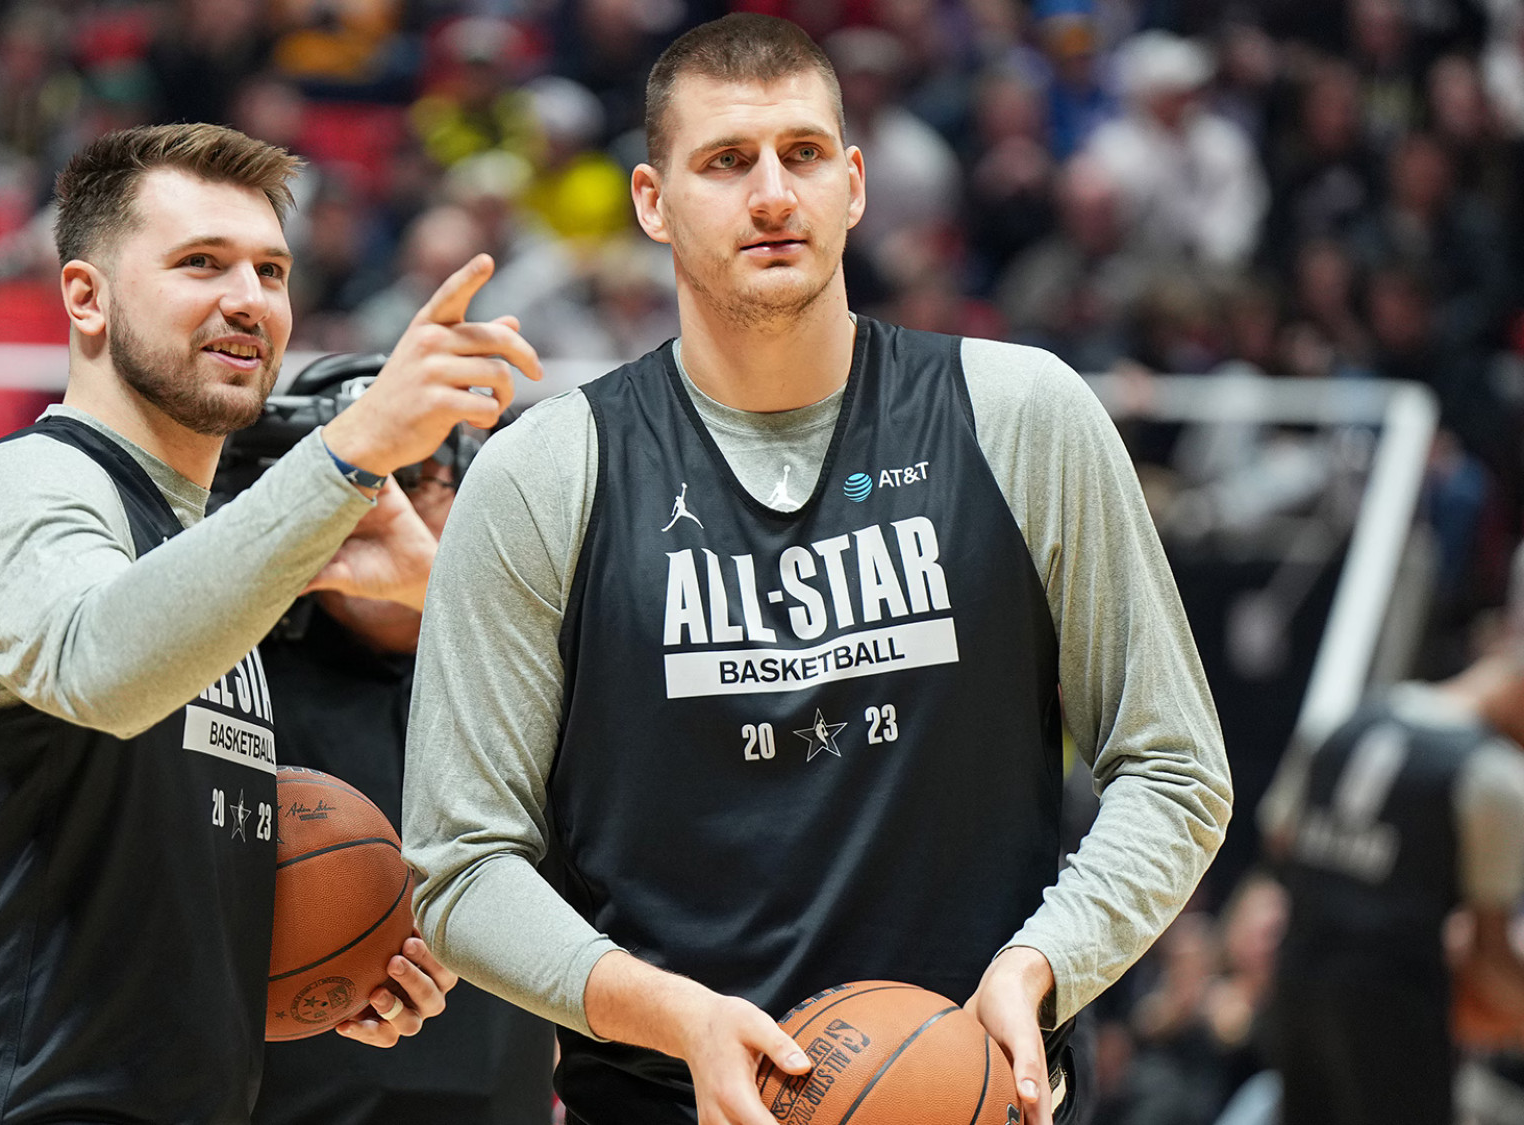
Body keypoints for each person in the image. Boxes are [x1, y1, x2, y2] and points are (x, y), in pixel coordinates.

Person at [401, 15, 1233, 1125]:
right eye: (724, 161)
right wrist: (671, 1015)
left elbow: (1175, 769)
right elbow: (461, 864)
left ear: (853, 184)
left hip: (973, 1098)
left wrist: (1044, 963)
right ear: (652, 200)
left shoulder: (1021, 415)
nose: (771, 195)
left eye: (801, 154)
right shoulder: (544, 473)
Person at [0, 122, 541, 1124]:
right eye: (200, 263)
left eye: (270, 270)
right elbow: (99, 665)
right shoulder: (25, 487)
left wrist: (330, 955)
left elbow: (128, 887)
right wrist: (351, 451)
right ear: (86, 297)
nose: (247, 298)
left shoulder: (205, 559)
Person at [251, 450, 556, 1125]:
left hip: (505, 1100)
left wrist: (443, 588)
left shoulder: (537, 669)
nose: (374, 506)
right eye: (348, 483)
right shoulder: (228, 667)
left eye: (413, 480)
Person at [1259, 545, 1524, 1125]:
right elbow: (1490, 963)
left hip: (1299, 986)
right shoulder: (1495, 777)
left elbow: (1278, 836)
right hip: (1396, 1015)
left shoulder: (1348, 722)